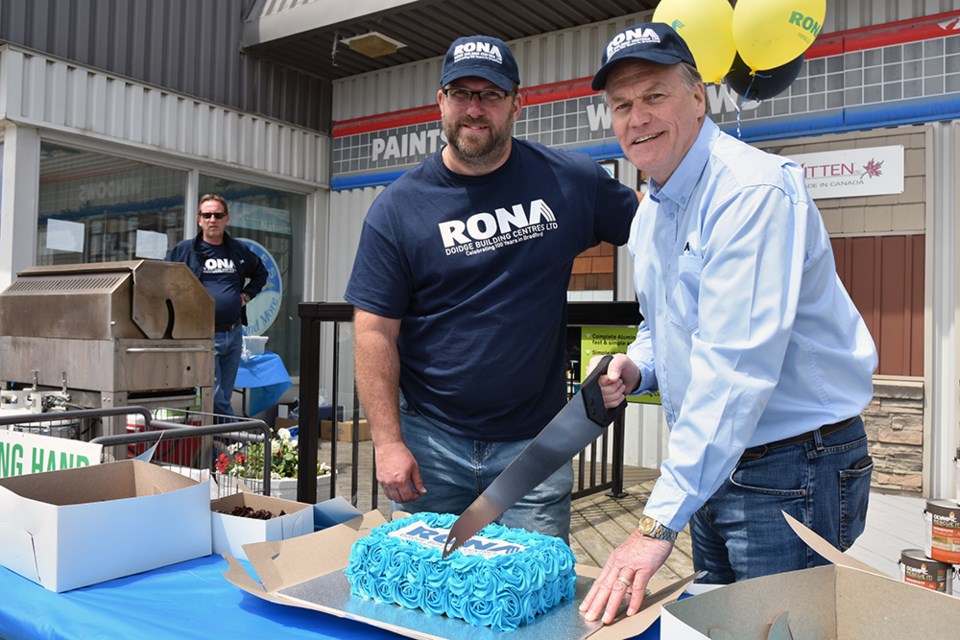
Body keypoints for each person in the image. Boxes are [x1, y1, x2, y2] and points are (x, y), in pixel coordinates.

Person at [579, 23, 878, 624]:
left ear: (697, 97)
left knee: (778, 632)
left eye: (654, 96)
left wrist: (657, 522)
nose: (637, 117)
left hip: (792, 465)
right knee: (720, 623)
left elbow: (734, 370)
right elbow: (664, 327)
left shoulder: (750, 194)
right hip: (720, 464)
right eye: (622, 105)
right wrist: (637, 367)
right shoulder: (653, 213)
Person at [344, 35, 638, 539]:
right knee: (425, 597)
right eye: (461, 93)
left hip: (535, 446)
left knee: (535, 592)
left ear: (516, 104)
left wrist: (658, 333)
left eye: (491, 95)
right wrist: (388, 443)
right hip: (429, 446)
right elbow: (374, 333)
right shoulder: (398, 208)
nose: (474, 109)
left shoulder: (568, 181)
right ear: (440, 102)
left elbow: (660, 230)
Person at [166, 194, 268, 419]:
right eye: (207, 215)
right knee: (216, 395)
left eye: (218, 215)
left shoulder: (238, 250)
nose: (213, 219)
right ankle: (228, 443)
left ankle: (218, 447)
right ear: (199, 219)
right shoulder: (185, 250)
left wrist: (247, 295)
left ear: (226, 218)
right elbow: (164, 279)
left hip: (234, 333)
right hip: (203, 334)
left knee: (223, 394)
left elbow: (261, 273)